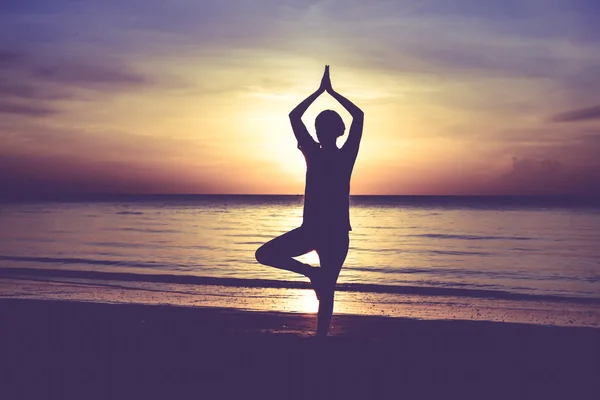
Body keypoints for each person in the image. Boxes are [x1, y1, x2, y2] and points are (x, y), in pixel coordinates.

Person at [255, 65, 364, 336]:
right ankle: (320, 333)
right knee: (325, 288)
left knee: (323, 286)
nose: (322, 131)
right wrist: (330, 92)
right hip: (325, 232)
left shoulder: (322, 153)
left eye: (323, 127)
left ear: (329, 131)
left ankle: (320, 335)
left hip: (329, 232)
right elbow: (359, 115)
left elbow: (294, 115)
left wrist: (321, 92)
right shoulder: (336, 154)